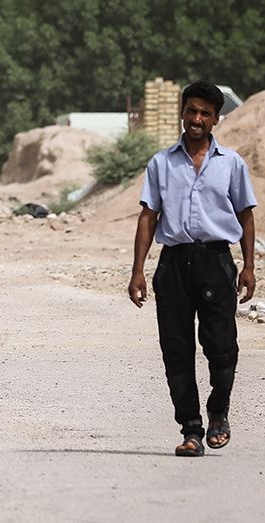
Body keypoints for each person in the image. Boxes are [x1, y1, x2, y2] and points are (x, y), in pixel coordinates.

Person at [129, 80, 256, 457]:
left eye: (205, 113)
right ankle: (191, 429)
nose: (197, 119)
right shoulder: (161, 163)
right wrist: (137, 271)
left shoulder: (231, 164)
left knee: (222, 348)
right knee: (176, 350)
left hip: (216, 262)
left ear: (216, 119)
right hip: (174, 265)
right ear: (181, 113)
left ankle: (218, 414)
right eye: (191, 111)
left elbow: (246, 216)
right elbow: (148, 216)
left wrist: (249, 267)